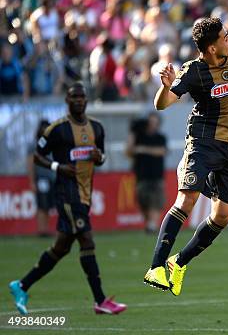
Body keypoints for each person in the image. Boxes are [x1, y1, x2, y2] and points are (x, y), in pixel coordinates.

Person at [143, 17, 228, 296]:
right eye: (223, 36)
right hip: (204, 142)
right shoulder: (194, 72)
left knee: (223, 215)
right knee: (187, 199)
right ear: (210, 48)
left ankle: (178, 262)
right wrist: (166, 86)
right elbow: (162, 104)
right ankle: (156, 267)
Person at [9, 83, 127, 315]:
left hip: (84, 193)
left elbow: (101, 157)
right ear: (67, 100)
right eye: (74, 97)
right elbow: (37, 156)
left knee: (61, 247)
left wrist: (99, 156)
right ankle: (100, 300)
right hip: (66, 193)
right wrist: (57, 166)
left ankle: (21, 285)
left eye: (82, 97)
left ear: (86, 100)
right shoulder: (57, 129)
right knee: (87, 240)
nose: (79, 100)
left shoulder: (97, 128)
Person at [126, 112, 168, 234]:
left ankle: (152, 226)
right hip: (141, 176)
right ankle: (150, 224)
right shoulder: (139, 137)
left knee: (156, 201)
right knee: (143, 202)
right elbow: (128, 151)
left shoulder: (160, 137)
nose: (152, 125)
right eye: (150, 122)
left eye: (154, 122)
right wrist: (132, 133)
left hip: (157, 175)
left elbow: (161, 151)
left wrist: (142, 149)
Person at [27, 119, 55, 237]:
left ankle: (45, 229)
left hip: (52, 178)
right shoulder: (34, 145)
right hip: (41, 179)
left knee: (48, 205)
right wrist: (32, 181)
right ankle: (41, 229)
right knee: (41, 204)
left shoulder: (53, 144)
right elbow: (30, 164)